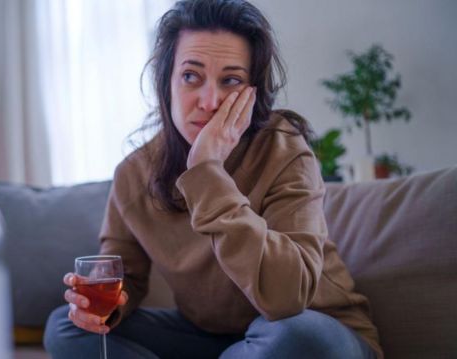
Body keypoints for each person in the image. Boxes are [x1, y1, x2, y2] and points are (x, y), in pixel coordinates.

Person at [44, 0, 382, 358]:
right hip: (211, 338)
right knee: (65, 328)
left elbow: (287, 299)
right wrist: (101, 308)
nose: (209, 101)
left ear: (253, 92)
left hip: (305, 328)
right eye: (191, 76)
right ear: (166, 81)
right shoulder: (134, 172)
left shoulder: (284, 151)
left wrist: (206, 171)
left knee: (298, 339)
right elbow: (125, 277)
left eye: (231, 80)